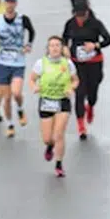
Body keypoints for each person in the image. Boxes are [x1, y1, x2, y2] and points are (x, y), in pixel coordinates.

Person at [62, 0, 110, 140]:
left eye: (82, 14)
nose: (79, 17)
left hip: (94, 62)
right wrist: (65, 48)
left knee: (92, 93)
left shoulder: (96, 24)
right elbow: (64, 38)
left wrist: (95, 45)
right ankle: (81, 126)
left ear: (87, 12)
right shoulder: (70, 24)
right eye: (77, 14)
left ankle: (90, 106)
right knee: (79, 93)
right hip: (77, 63)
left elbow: (109, 39)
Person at [0, 0, 36, 137]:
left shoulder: (23, 19)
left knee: (16, 92)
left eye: (12, 2)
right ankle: (10, 124)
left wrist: (28, 44)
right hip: (3, 62)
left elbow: (32, 31)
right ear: (4, 4)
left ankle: (20, 109)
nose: (9, 5)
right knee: (7, 97)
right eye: (7, 2)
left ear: (15, 4)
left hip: (18, 61)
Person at [31, 36, 79, 177]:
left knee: (59, 134)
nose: (55, 48)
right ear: (48, 48)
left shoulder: (68, 64)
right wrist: (34, 87)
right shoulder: (41, 63)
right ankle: (50, 146)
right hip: (46, 101)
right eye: (52, 45)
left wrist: (71, 88)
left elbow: (75, 80)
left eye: (57, 45)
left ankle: (59, 164)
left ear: (62, 48)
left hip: (62, 101)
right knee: (47, 138)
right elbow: (32, 79)